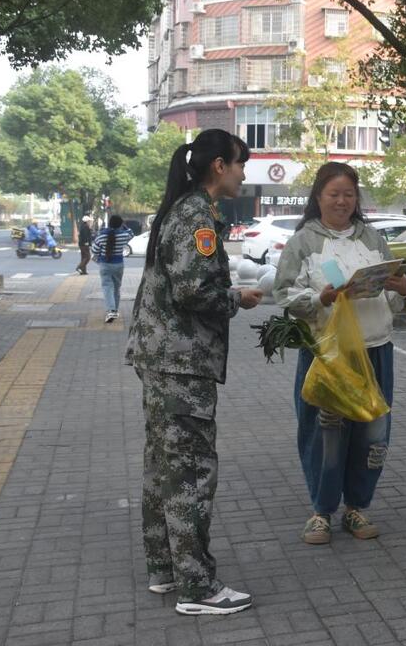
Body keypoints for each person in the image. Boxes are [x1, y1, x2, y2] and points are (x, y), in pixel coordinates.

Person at [126, 128, 263, 616]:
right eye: (240, 164)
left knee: (162, 464)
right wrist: (237, 297)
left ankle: (165, 569)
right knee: (189, 471)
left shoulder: (181, 209)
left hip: (161, 357)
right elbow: (194, 291)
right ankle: (198, 588)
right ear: (219, 166)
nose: (244, 175)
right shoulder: (197, 215)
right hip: (180, 362)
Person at [273, 162, 406, 546]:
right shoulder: (303, 241)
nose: (341, 201)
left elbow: (395, 296)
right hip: (328, 355)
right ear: (318, 196)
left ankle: (357, 506)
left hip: (375, 349)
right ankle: (321, 511)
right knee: (326, 436)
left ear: (357, 199)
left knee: (373, 432)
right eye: (334, 194)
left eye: (349, 195)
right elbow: (285, 295)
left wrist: (403, 289)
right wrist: (319, 298)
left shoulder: (372, 239)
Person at [92, 214, 133, 322]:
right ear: (120, 224)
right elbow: (131, 234)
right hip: (119, 265)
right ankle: (114, 311)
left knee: (107, 288)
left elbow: (94, 251)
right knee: (116, 288)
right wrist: (124, 226)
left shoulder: (101, 236)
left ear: (109, 224)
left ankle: (111, 310)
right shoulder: (124, 235)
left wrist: (100, 260)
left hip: (105, 265)